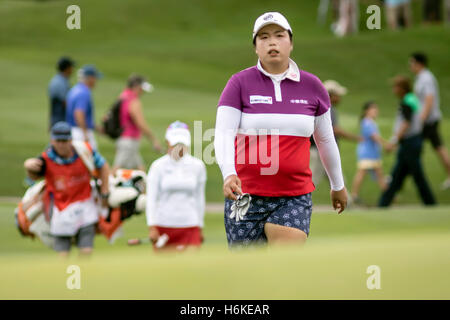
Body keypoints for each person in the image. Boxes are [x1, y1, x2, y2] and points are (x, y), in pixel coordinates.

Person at [214, 12, 347, 248]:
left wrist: (338, 185)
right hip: (244, 196)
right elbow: (224, 133)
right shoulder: (239, 83)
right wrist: (228, 173)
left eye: (279, 35)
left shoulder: (313, 86)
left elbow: (325, 140)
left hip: (293, 195)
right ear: (255, 47)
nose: (272, 42)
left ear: (291, 42)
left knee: (285, 262)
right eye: (263, 37)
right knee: (249, 273)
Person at [23, 121, 110, 256]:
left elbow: (103, 166)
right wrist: (28, 166)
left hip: (85, 207)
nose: (61, 145)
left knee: (86, 251)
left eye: (65, 141)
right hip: (60, 211)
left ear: (70, 140)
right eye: (58, 141)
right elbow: (33, 176)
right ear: (52, 141)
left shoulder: (84, 151)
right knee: (63, 255)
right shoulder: (46, 158)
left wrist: (105, 192)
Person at [146, 121, 206, 251]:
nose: (179, 147)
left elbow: (199, 198)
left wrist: (200, 226)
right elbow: (151, 199)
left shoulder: (198, 166)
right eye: (175, 144)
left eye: (182, 144)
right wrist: (152, 226)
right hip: (164, 225)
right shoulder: (158, 166)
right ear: (168, 142)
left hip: (190, 225)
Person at [378, 76, 436, 207]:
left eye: (395, 87)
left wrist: (393, 141)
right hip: (411, 142)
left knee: (416, 176)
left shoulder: (407, 101)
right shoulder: (411, 99)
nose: (394, 90)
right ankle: (383, 204)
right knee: (398, 176)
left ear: (402, 88)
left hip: (410, 143)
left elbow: (406, 123)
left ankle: (431, 203)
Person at [410, 52, 450, 189]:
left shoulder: (426, 78)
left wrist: (421, 118)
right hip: (426, 120)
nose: (411, 66)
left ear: (419, 64)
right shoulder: (421, 77)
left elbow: (429, 99)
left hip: (428, 121)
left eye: (412, 63)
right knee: (436, 147)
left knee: (418, 147)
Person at [310, 79, 360, 187]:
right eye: (337, 95)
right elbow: (335, 129)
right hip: (322, 151)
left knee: (337, 179)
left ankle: (347, 202)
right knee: (313, 181)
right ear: (330, 95)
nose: (340, 98)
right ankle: (298, 201)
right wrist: (356, 138)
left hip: (320, 150)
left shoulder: (320, 107)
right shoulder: (327, 108)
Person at [113, 74, 162, 172]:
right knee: (116, 169)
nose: (142, 91)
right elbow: (140, 123)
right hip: (129, 140)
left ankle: (144, 187)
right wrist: (153, 139)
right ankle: (106, 186)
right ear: (136, 86)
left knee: (140, 169)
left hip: (124, 138)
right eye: (141, 88)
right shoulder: (133, 100)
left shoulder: (123, 96)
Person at [351, 101, 388, 203]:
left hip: (373, 153)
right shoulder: (367, 122)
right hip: (367, 153)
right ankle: (354, 195)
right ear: (367, 111)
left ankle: (388, 195)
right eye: (373, 109)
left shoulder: (370, 122)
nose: (376, 111)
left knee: (379, 174)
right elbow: (375, 137)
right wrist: (386, 145)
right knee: (362, 173)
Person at [66, 64, 103, 150]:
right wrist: (85, 133)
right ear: (89, 78)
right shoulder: (84, 93)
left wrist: (95, 127)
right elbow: (79, 113)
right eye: (95, 78)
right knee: (92, 160)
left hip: (73, 131)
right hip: (80, 132)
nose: (96, 81)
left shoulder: (75, 89)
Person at [48, 56, 75, 128]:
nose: (72, 69)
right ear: (67, 68)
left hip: (56, 119)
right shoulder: (60, 83)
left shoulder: (57, 80)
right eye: (71, 67)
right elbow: (66, 102)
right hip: (61, 120)